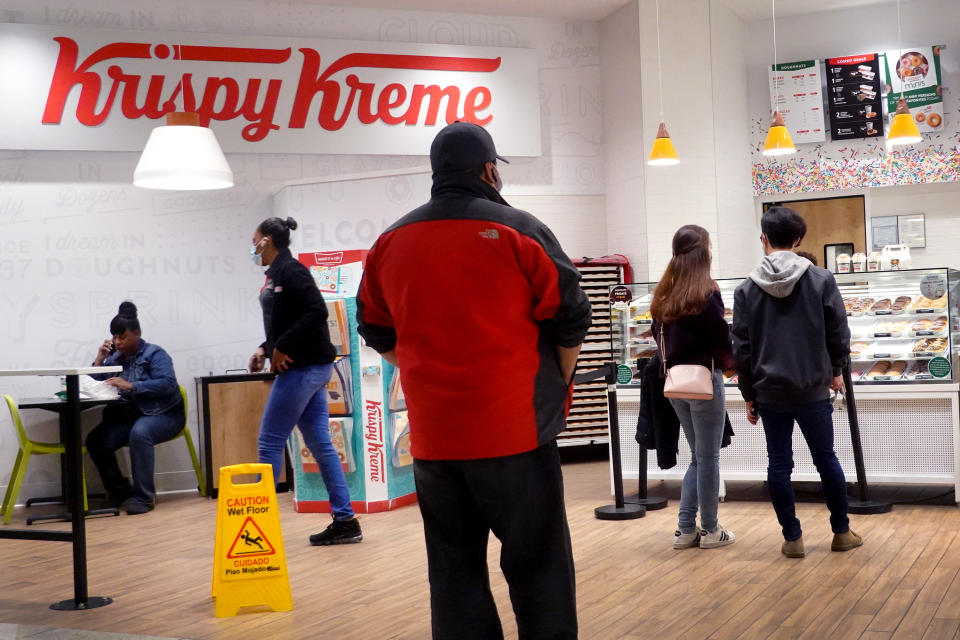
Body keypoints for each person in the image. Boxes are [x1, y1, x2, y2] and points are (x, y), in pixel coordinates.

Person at [357, 121, 591, 640]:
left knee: (453, 573)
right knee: (538, 566)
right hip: (516, 434)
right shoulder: (519, 230)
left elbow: (374, 329)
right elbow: (572, 314)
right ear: (489, 170)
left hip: (436, 443)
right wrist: (557, 375)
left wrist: (424, 371)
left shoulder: (389, 243)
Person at [732, 206, 862, 558]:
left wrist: (748, 393)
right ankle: (841, 533)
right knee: (826, 460)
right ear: (799, 239)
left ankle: (793, 539)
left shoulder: (746, 289)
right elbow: (838, 332)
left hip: (770, 391)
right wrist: (837, 370)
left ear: (764, 239)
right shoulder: (821, 279)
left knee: (778, 465)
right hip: (812, 387)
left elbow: (740, 348)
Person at [248, 216, 361, 546]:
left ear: (266, 241)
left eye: (254, 240)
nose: (252, 248)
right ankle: (346, 522)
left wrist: (283, 346)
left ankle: (259, 528)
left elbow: (316, 312)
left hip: (304, 368)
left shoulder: (292, 271)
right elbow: (285, 321)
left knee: (269, 442)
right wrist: (265, 347)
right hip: (308, 367)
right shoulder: (276, 274)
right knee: (321, 445)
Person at [650, 225, 736, 550]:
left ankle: (685, 530)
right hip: (704, 382)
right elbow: (720, 339)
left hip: (674, 385)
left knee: (698, 458)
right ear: (703, 251)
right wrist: (732, 365)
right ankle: (711, 530)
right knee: (708, 458)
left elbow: (657, 335)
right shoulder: (706, 291)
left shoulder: (664, 292)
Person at [87, 302, 183, 515]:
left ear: (137, 334)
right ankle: (120, 491)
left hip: (164, 413)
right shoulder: (113, 358)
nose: (118, 342)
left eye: (123, 337)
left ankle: (144, 497)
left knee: (140, 433)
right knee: (96, 440)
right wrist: (99, 360)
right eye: (115, 338)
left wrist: (132, 386)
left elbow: (168, 384)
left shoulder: (155, 354)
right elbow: (92, 384)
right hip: (132, 415)